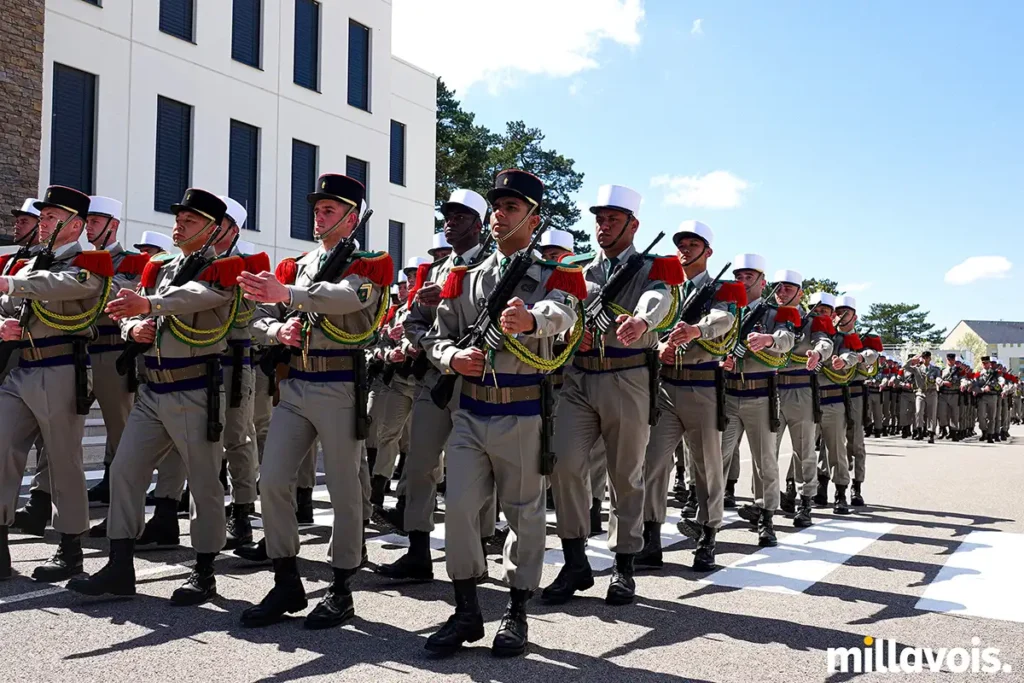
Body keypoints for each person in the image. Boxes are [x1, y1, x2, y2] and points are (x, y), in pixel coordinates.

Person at [420, 169, 584, 657]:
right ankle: (467, 610)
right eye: (497, 207)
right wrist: (452, 358)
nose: (499, 215)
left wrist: (533, 319)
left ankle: (516, 612)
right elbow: (437, 334)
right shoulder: (463, 276)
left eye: (512, 208)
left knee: (523, 514)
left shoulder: (556, 273)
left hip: (521, 409)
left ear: (533, 219)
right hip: (470, 410)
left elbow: (566, 313)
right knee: (460, 511)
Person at [67, 188, 241, 605]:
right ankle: (120, 565)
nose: (179, 224)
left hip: (194, 388)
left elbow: (197, 297)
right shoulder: (161, 268)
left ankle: (204, 571)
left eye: (191, 221)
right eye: (179, 217)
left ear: (214, 229)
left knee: (203, 484)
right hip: (153, 388)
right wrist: (134, 330)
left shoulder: (222, 269)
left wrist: (149, 305)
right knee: (126, 471)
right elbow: (136, 320)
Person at [237, 173, 392, 629]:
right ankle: (286, 578)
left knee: (345, 490)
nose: (318, 216)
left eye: (329, 210)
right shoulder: (299, 264)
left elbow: (348, 300)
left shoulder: (369, 263)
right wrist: (276, 329)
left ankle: (342, 586)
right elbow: (259, 319)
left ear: (352, 216)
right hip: (297, 383)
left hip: (340, 383)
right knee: (273, 480)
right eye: (317, 208)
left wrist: (289, 296)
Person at [545, 184, 682, 607]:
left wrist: (642, 322)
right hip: (580, 379)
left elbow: (658, 297)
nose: (603, 227)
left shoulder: (654, 266)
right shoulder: (580, 268)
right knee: (564, 464)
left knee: (626, 474)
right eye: (599, 220)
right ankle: (574, 562)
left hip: (627, 377)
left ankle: (624, 566)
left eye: (612, 220)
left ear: (632, 224)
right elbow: (563, 303)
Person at [375, 188, 498, 581]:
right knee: (421, 464)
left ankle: (476, 550)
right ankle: (418, 551)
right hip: (435, 381)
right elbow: (412, 322)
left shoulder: (496, 267)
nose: (449, 222)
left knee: (477, 470)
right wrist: (433, 348)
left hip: (479, 383)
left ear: (478, 225)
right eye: (447, 215)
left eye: (459, 217)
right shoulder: (436, 274)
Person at [0, 186, 114, 581]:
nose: (43, 224)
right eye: (43, 217)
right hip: (20, 368)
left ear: (76, 225)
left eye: (51, 218)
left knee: (64, 462)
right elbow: (3, 306)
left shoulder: (90, 262)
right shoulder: (29, 261)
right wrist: (3, 325)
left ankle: (70, 548)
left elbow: (68, 287)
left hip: (60, 368)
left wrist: (14, 285)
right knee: (2, 452)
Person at [638, 220, 742, 571]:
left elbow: (723, 320)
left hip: (702, 385)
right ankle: (650, 538)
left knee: (707, 468)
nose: (685, 249)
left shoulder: (721, 289)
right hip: (665, 385)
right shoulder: (664, 289)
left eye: (693, 245)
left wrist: (696, 330)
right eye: (681, 244)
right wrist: (661, 345)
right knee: (653, 463)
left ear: (708, 252)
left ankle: (708, 535)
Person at [719, 255, 797, 546]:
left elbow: (788, 338)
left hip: (760, 394)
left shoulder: (775, 313)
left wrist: (769, 341)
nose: (742, 280)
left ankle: (766, 516)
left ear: (762, 283)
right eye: (738, 275)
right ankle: (708, 515)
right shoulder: (726, 309)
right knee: (717, 457)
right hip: (728, 393)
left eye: (749, 276)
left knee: (765, 460)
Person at [776, 283, 834, 528]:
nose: (782, 293)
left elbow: (825, 342)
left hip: (800, 388)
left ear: (800, 293)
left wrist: (818, 354)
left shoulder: (811, 321)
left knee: (804, 450)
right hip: (770, 388)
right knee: (765, 451)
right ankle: (765, 502)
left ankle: (806, 501)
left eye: (788, 290)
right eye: (778, 289)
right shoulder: (768, 316)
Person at [938, 353, 962, 440]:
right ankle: (943, 429)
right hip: (943, 394)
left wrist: (959, 385)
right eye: (949, 360)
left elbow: (962, 380)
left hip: (954, 394)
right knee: (942, 413)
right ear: (946, 360)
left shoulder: (959, 371)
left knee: (954, 414)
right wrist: (943, 382)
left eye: (952, 360)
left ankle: (953, 432)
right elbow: (938, 379)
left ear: (954, 360)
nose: (951, 361)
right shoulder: (942, 370)